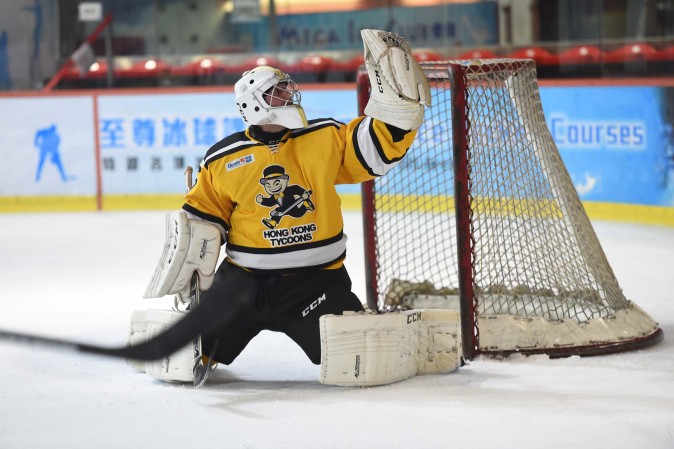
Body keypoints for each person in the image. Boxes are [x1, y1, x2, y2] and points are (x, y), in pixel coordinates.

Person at [133, 29, 432, 385]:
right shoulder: (223, 159)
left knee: (360, 359)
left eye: (287, 90)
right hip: (241, 286)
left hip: (316, 284)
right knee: (184, 359)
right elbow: (201, 222)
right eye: (277, 92)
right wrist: (192, 268)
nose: (289, 96)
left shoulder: (324, 137)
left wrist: (397, 114)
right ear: (252, 104)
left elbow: (376, 150)